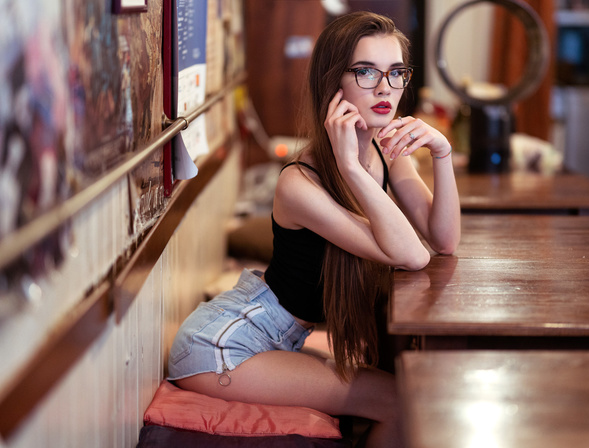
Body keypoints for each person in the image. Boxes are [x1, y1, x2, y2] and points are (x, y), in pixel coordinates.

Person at [167, 11, 460, 448]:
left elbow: (443, 241)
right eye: (366, 72)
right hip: (222, 346)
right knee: (402, 400)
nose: (385, 88)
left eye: (396, 73)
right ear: (333, 83)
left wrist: (442, 154)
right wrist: (349, 166)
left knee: (408, 393)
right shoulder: (299, 183)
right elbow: (411, 255)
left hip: (273, 336)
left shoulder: (385, 149)